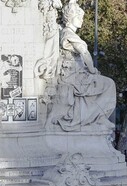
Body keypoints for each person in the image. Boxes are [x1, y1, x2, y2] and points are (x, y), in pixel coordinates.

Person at [46, 0, 116, 131]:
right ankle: (98, 117)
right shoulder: (68, 34)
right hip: (74, 77)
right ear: (71, 17)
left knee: (103, 86)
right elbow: (84, 52)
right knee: (109, 84)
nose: (82, 20)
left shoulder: (67, 33)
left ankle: (96, 117)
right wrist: (92, 69)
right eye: (79, 17)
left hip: (77, 74)